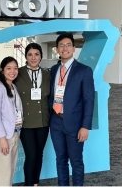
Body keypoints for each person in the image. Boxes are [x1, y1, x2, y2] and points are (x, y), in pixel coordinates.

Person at [49, 33, 95, 186]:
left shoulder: (84, 70)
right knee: (60, 160)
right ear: (57, 49)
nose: (65, 48)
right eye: (61, 45)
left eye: (68, 45)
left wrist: (85, 126)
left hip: (75, 125)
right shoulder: (53, 70)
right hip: (55, 122)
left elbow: (89, 100)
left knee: (76, 162)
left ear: (74, 48)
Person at [14, 43, 50, 186]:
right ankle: (29, 184)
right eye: (30, 54)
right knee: (31, 155)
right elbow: (5, 82)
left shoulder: (48, 74)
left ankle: (35, 183)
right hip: (26, 121)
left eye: (37, 54)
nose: (33, 57)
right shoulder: (18, 72)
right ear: (26, 56)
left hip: (43, 121)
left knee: (39, 154)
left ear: (41, 56)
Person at [0, 56, 23, 186]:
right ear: (2, 71)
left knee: (10, 172)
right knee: (2, 175)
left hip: (13, 134)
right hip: (2, 137)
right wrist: (2, 138)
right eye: (8, 68)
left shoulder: (13, 86)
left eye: (15, 68)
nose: (12, 71)